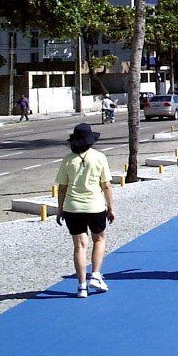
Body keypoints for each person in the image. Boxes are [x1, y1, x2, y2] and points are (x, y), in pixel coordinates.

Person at [55, 123, 115, 298]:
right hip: (95, 206)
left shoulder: (67, 160)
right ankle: (95, 274)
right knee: (99, 238)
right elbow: (106, 185)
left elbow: (62, 188)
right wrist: (111, 208)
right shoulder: (99, 157)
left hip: (72, 208)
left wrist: (60, 210)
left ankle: (81, 286)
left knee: (79, 246)